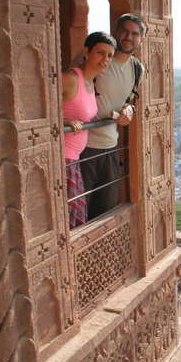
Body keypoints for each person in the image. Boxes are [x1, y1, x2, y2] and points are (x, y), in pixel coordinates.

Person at [80, 13, 146, 220]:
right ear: (116, 32)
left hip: (110, 146)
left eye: (135, 33)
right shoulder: (98, 61)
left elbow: (130, 101)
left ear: (140, 39)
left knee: (105, 210)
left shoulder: (137, 68)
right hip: (83, 148)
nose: (128, 37)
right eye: (124, 31)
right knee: (78, 212)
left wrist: (129, 110)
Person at [63, 32, 116, 228]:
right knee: (72, 216)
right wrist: (63, 120)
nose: (105, 59)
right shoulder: (70, 78)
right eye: (100, 53)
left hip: (74, 158)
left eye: (109, 55)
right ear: (86, 51)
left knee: (76, 214)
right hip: (63, 158)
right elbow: (39, 104)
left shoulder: (90, 83)